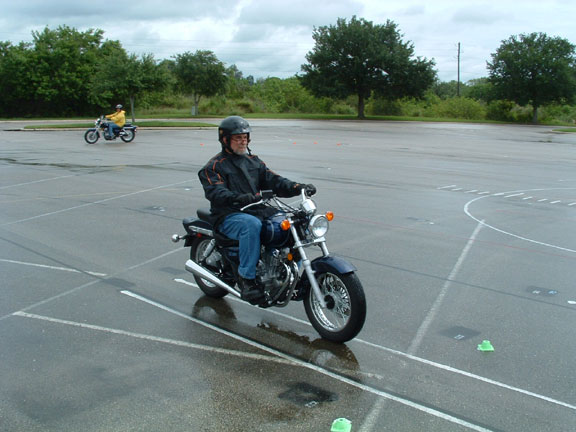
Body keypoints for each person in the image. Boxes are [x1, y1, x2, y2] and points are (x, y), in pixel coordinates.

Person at [198, 116, 316, 304]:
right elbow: (215, 191)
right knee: (250, 225)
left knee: (289, 223)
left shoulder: (253, 162)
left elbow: (274, 180)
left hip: (256, 209)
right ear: (225, 140)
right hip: (228, 214)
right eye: (238, 138)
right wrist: (237, 197)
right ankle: (247, 280)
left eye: (245, 137)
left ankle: (286, 274)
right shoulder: (214, 166)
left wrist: (297, 187)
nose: (243, 141)